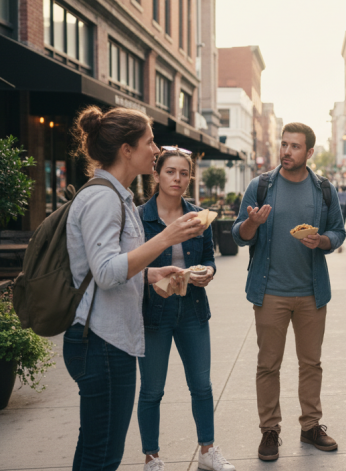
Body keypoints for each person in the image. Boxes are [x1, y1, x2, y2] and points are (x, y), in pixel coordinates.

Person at [64, 106, 206, 471]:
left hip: (111, 341)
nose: (156, 149)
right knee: (103, 455)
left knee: (95, 448)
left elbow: (110, 269)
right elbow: (107, 272)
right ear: (126, 150)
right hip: (102, 342)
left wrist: (151, 274)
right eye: (149, 141)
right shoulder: (102, 199)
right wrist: (166, 238)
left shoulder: (118, 197)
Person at [231, 122, 346, 462]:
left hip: (311, 292)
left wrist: (322, 241)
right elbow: (239, 234)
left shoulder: (323, 189)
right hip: (271, 292)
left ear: (310, 152)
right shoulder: (261, 186)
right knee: (268, 364)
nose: (286, 151)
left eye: (295, 146)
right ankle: (270, 430)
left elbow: (338, 232)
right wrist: (253, 222)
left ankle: (311, 426)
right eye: (284, 144)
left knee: (311, 363)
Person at [136, 148, 235, 471]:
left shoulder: (198, 217)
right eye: (170, 172)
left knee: (202, 385)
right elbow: (130, 264)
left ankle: (207, 451)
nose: (177, 178)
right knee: (152, 390)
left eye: (183, 173)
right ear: (157, 175)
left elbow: (208, 256)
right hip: (154, 311)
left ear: (190, 177)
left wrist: (208, 271)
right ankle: (151, 457)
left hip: (192, 308)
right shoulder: (140, 217)